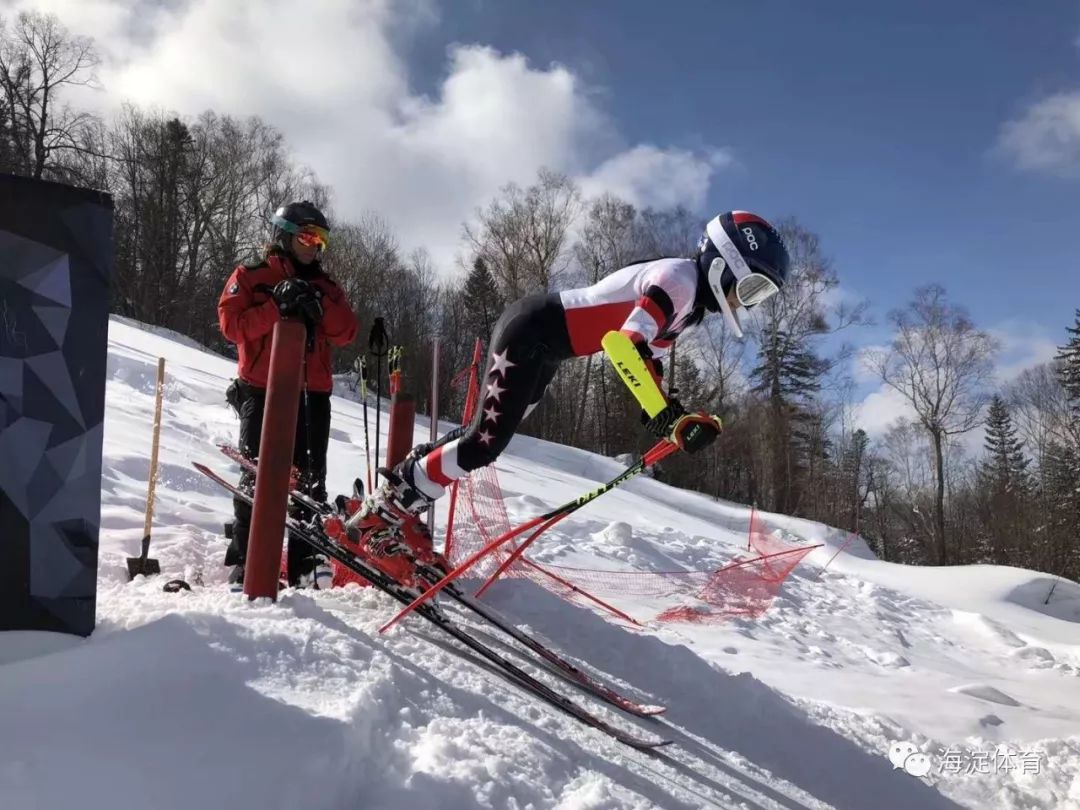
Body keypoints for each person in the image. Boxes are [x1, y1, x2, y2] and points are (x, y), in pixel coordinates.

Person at [343, 210, 792, 584]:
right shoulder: (679, 280)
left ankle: (404, 499)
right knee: (485, 443)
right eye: (751, 287)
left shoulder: (690, 310)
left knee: (482, 436)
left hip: (547, 349)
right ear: (723, 264)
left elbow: (647, 364)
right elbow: (624, 344)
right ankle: (384, 511)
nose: (746, 303)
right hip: (531, 331)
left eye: (760, 295)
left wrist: (674, 419)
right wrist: (663, 414)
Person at [218, 200, 358, 587]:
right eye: (309, 237)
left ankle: (304, 563)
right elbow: (232, 325)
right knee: (256, 474)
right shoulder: (252, 275)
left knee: (310, 480)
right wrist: (277, 306)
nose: (316, 246)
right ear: (285, 236)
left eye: (322, 239)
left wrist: (318, 305)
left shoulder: (326, 286)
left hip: (312, 394)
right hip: (262, 389)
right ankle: (247, 559)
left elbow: (346, 331)